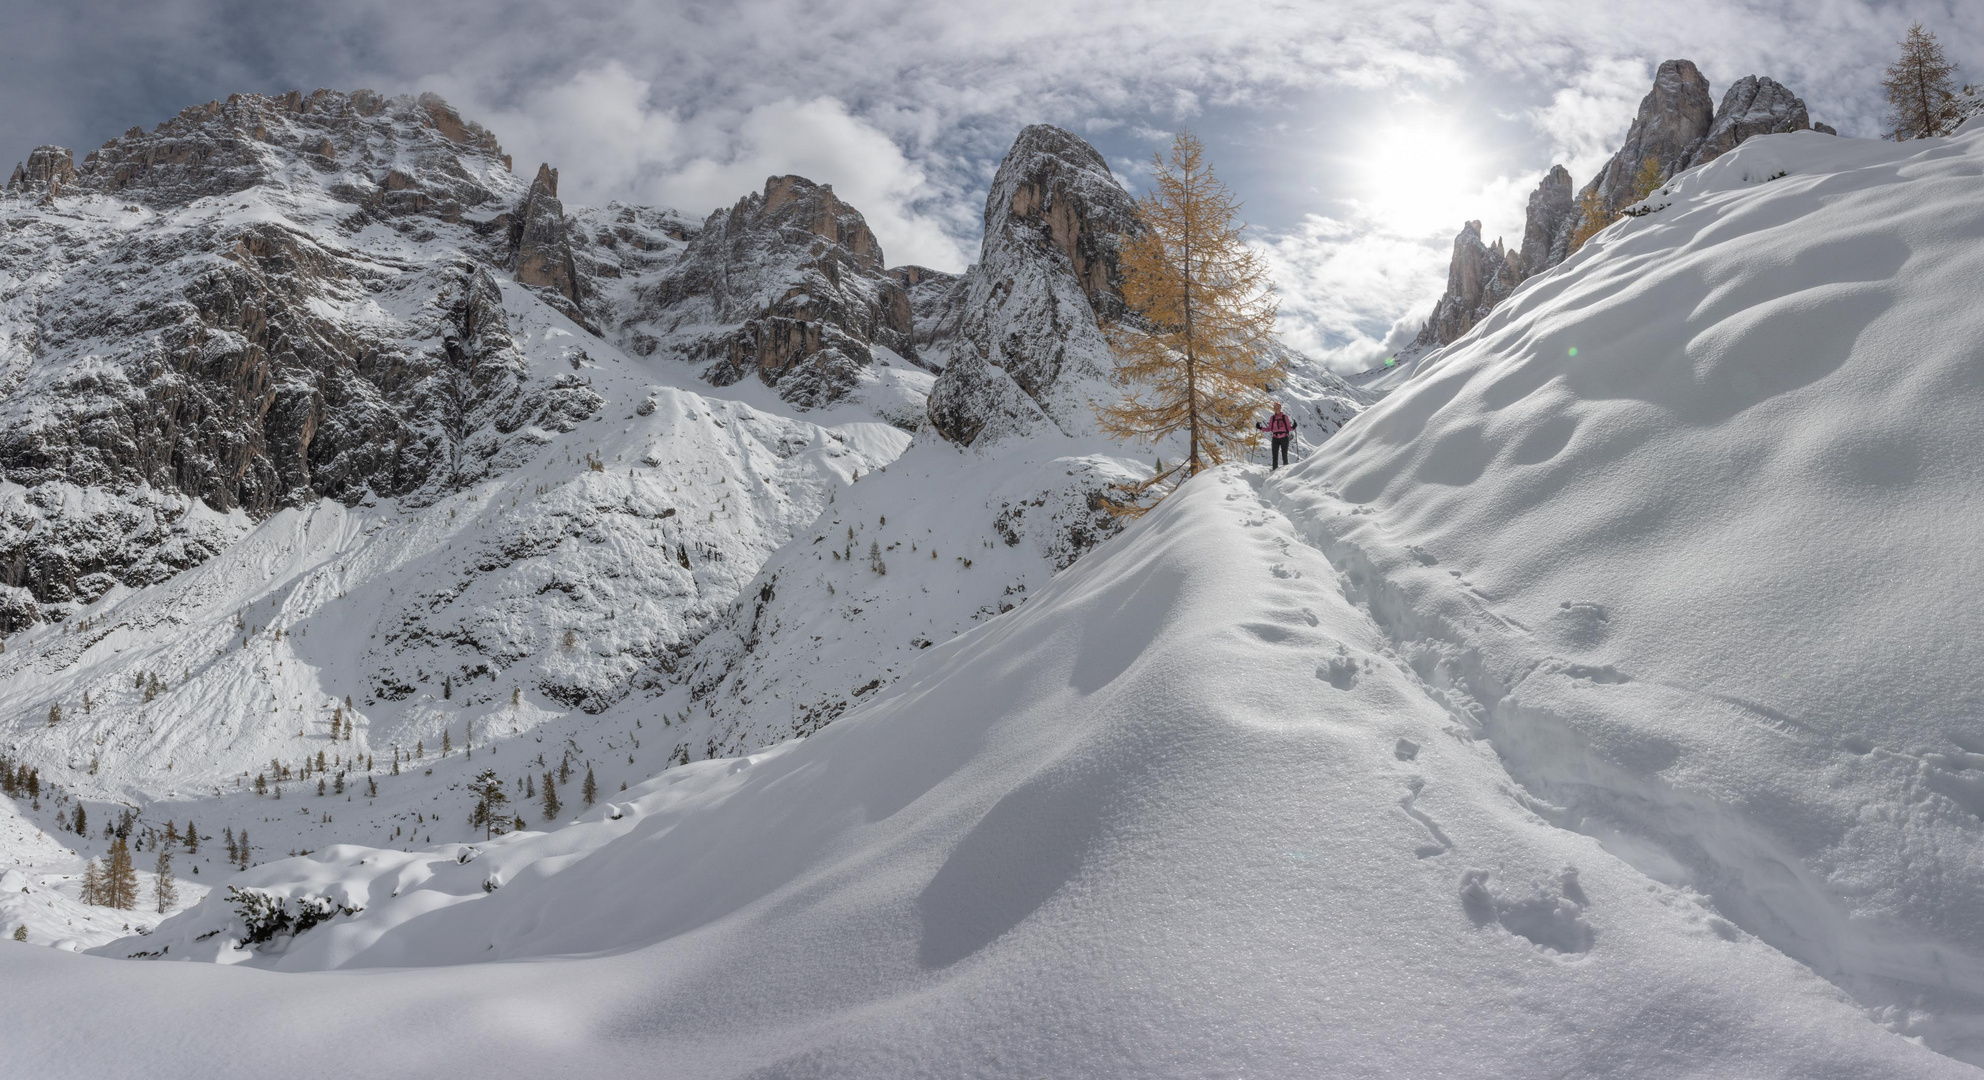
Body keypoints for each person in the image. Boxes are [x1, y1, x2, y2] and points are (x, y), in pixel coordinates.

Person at [1258, 402, 1297, 470]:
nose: (1276, 409)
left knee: (1284, 455)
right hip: (1275, 438)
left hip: (1284, 438)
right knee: (1275, 455)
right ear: (1274, 409)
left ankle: (1285, 471)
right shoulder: (1272, 418)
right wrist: (1260, 428)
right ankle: (1275, 470)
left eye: (1278, 407)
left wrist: (1293, 427)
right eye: (1275, 408)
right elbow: (1269, 429)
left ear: (1280, 408)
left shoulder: (1285, 417)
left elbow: (1288, 428)